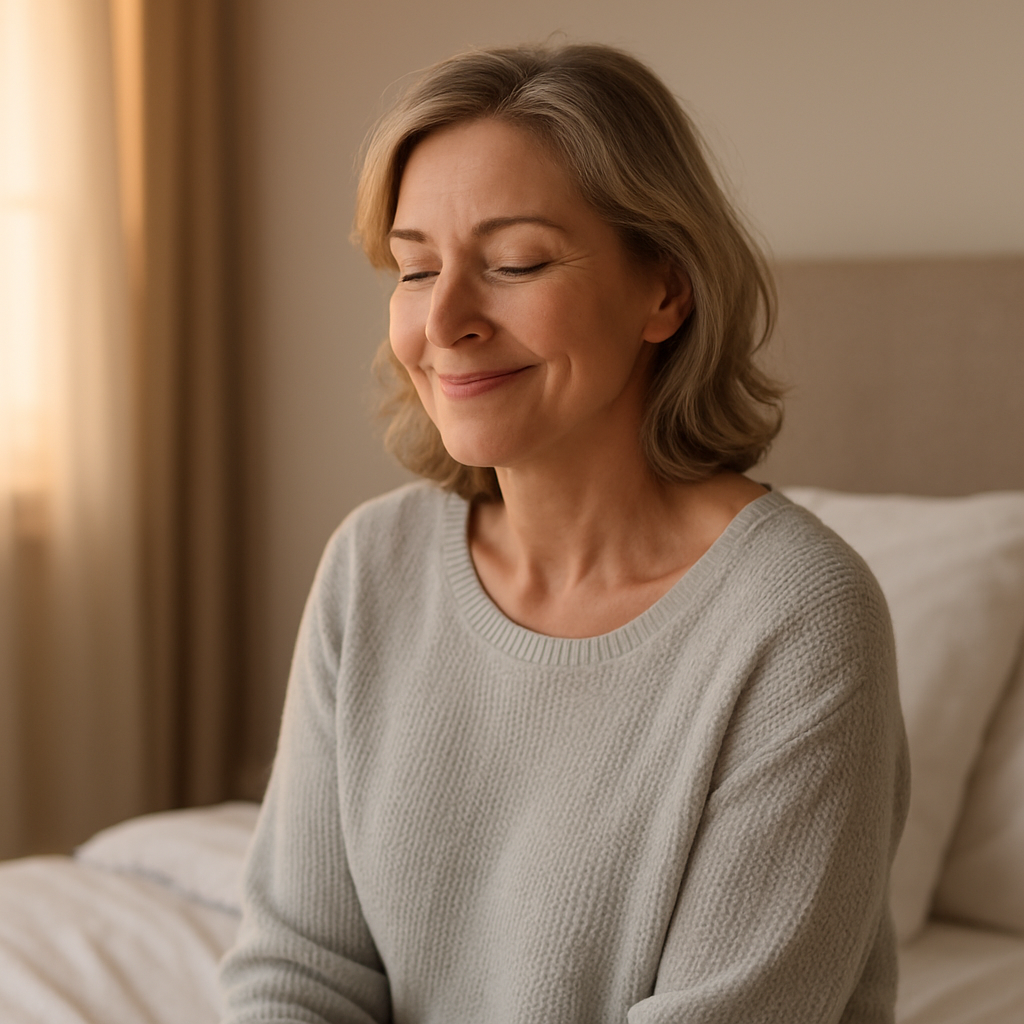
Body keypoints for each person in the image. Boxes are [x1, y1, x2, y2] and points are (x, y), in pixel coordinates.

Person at [220, 43, 909, 1024]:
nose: (445, 319)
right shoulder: (373, 567)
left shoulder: (797, 616)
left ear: (664, 291)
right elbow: (296, 969)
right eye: (416, 268)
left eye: (514, 263)